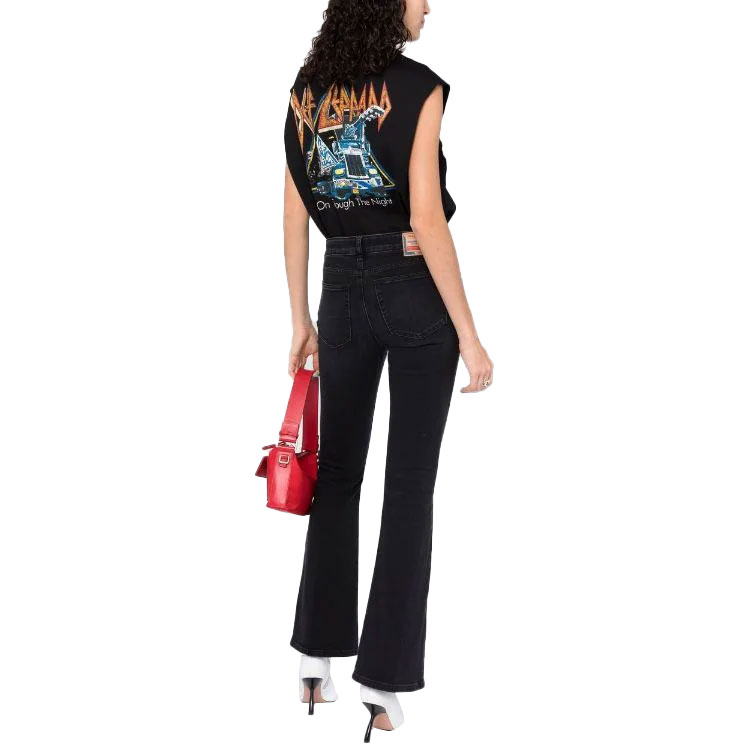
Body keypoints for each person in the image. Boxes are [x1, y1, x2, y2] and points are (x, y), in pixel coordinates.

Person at [282, 0, 493, 741]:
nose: (428, 5)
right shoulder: (420, 87)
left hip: (338, 288)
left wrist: (301, 319)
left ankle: (314, 658)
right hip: (411, 289)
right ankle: (383, 682)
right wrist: (469, 335)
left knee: (337, 475)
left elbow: (293, 215)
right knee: (407, 486)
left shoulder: (306, 91)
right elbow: (426, 219)